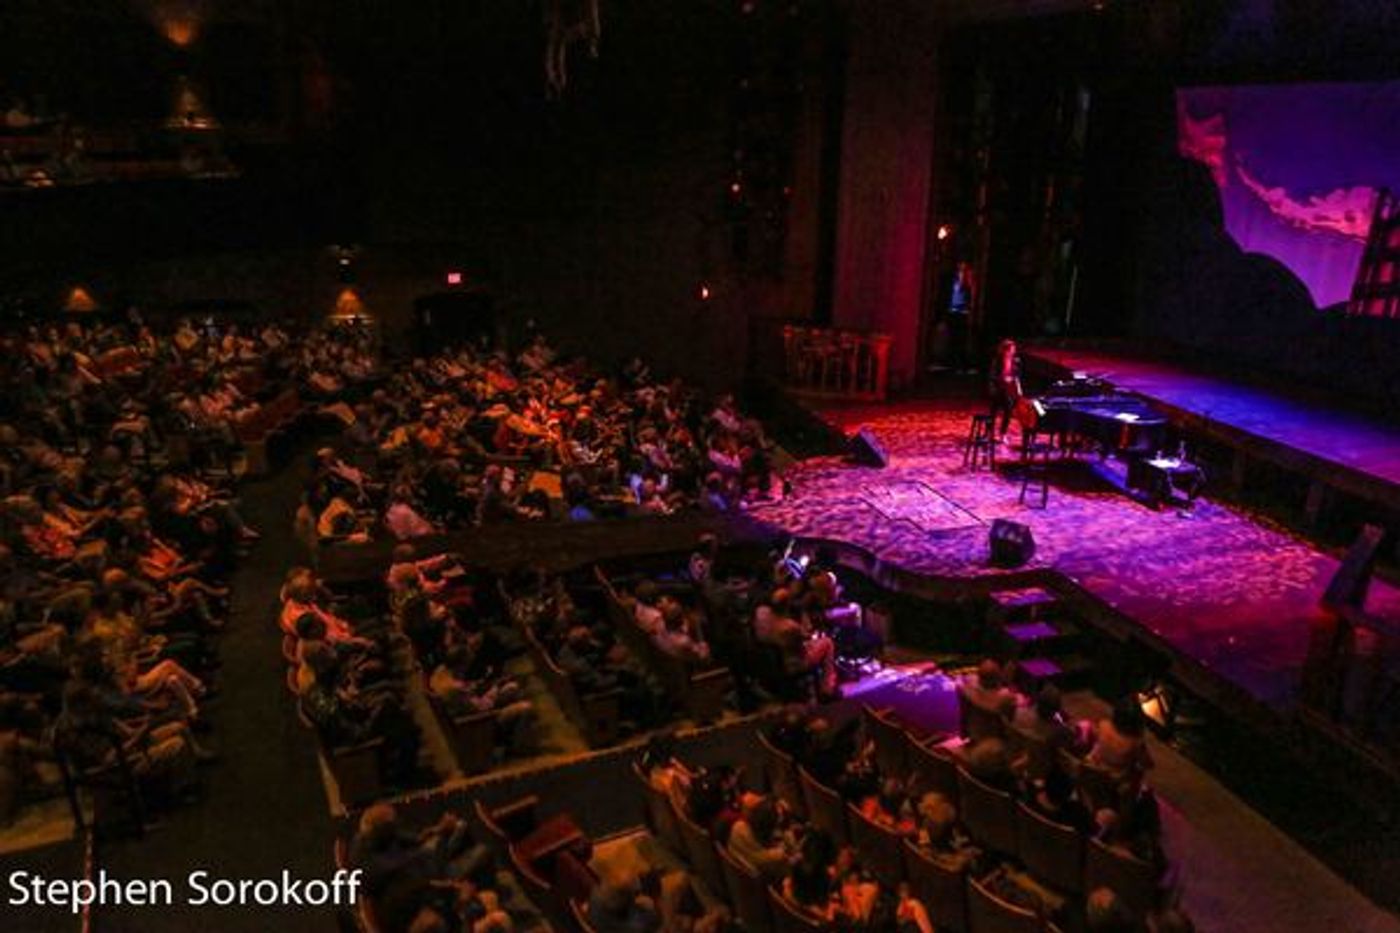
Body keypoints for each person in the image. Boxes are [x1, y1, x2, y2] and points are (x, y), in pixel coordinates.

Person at [989, 338, 1021, 443]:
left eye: (1014, 349)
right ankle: (990, 433)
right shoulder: (997, 361)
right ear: (1005, 350)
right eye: (1011, 349)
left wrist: (1019, 389)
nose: (1013, 351)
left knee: (1008, 410)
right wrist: (1002, 379)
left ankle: (1003, 434)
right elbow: (992, 376)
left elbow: (1016, 376)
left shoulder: (1014, 361)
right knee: (993, 412)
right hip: (997, 389)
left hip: (1008, 390)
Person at [946, 261, 975, 372]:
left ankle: (961, 364)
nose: (961, 271)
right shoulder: (953, 280)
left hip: (963, 312)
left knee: (961, 339)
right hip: (953, 311)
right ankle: (952, 362)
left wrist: (969, 310)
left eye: (963, 269)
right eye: (960, 268)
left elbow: (970, 297)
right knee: (952, 337)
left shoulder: (968, 281)